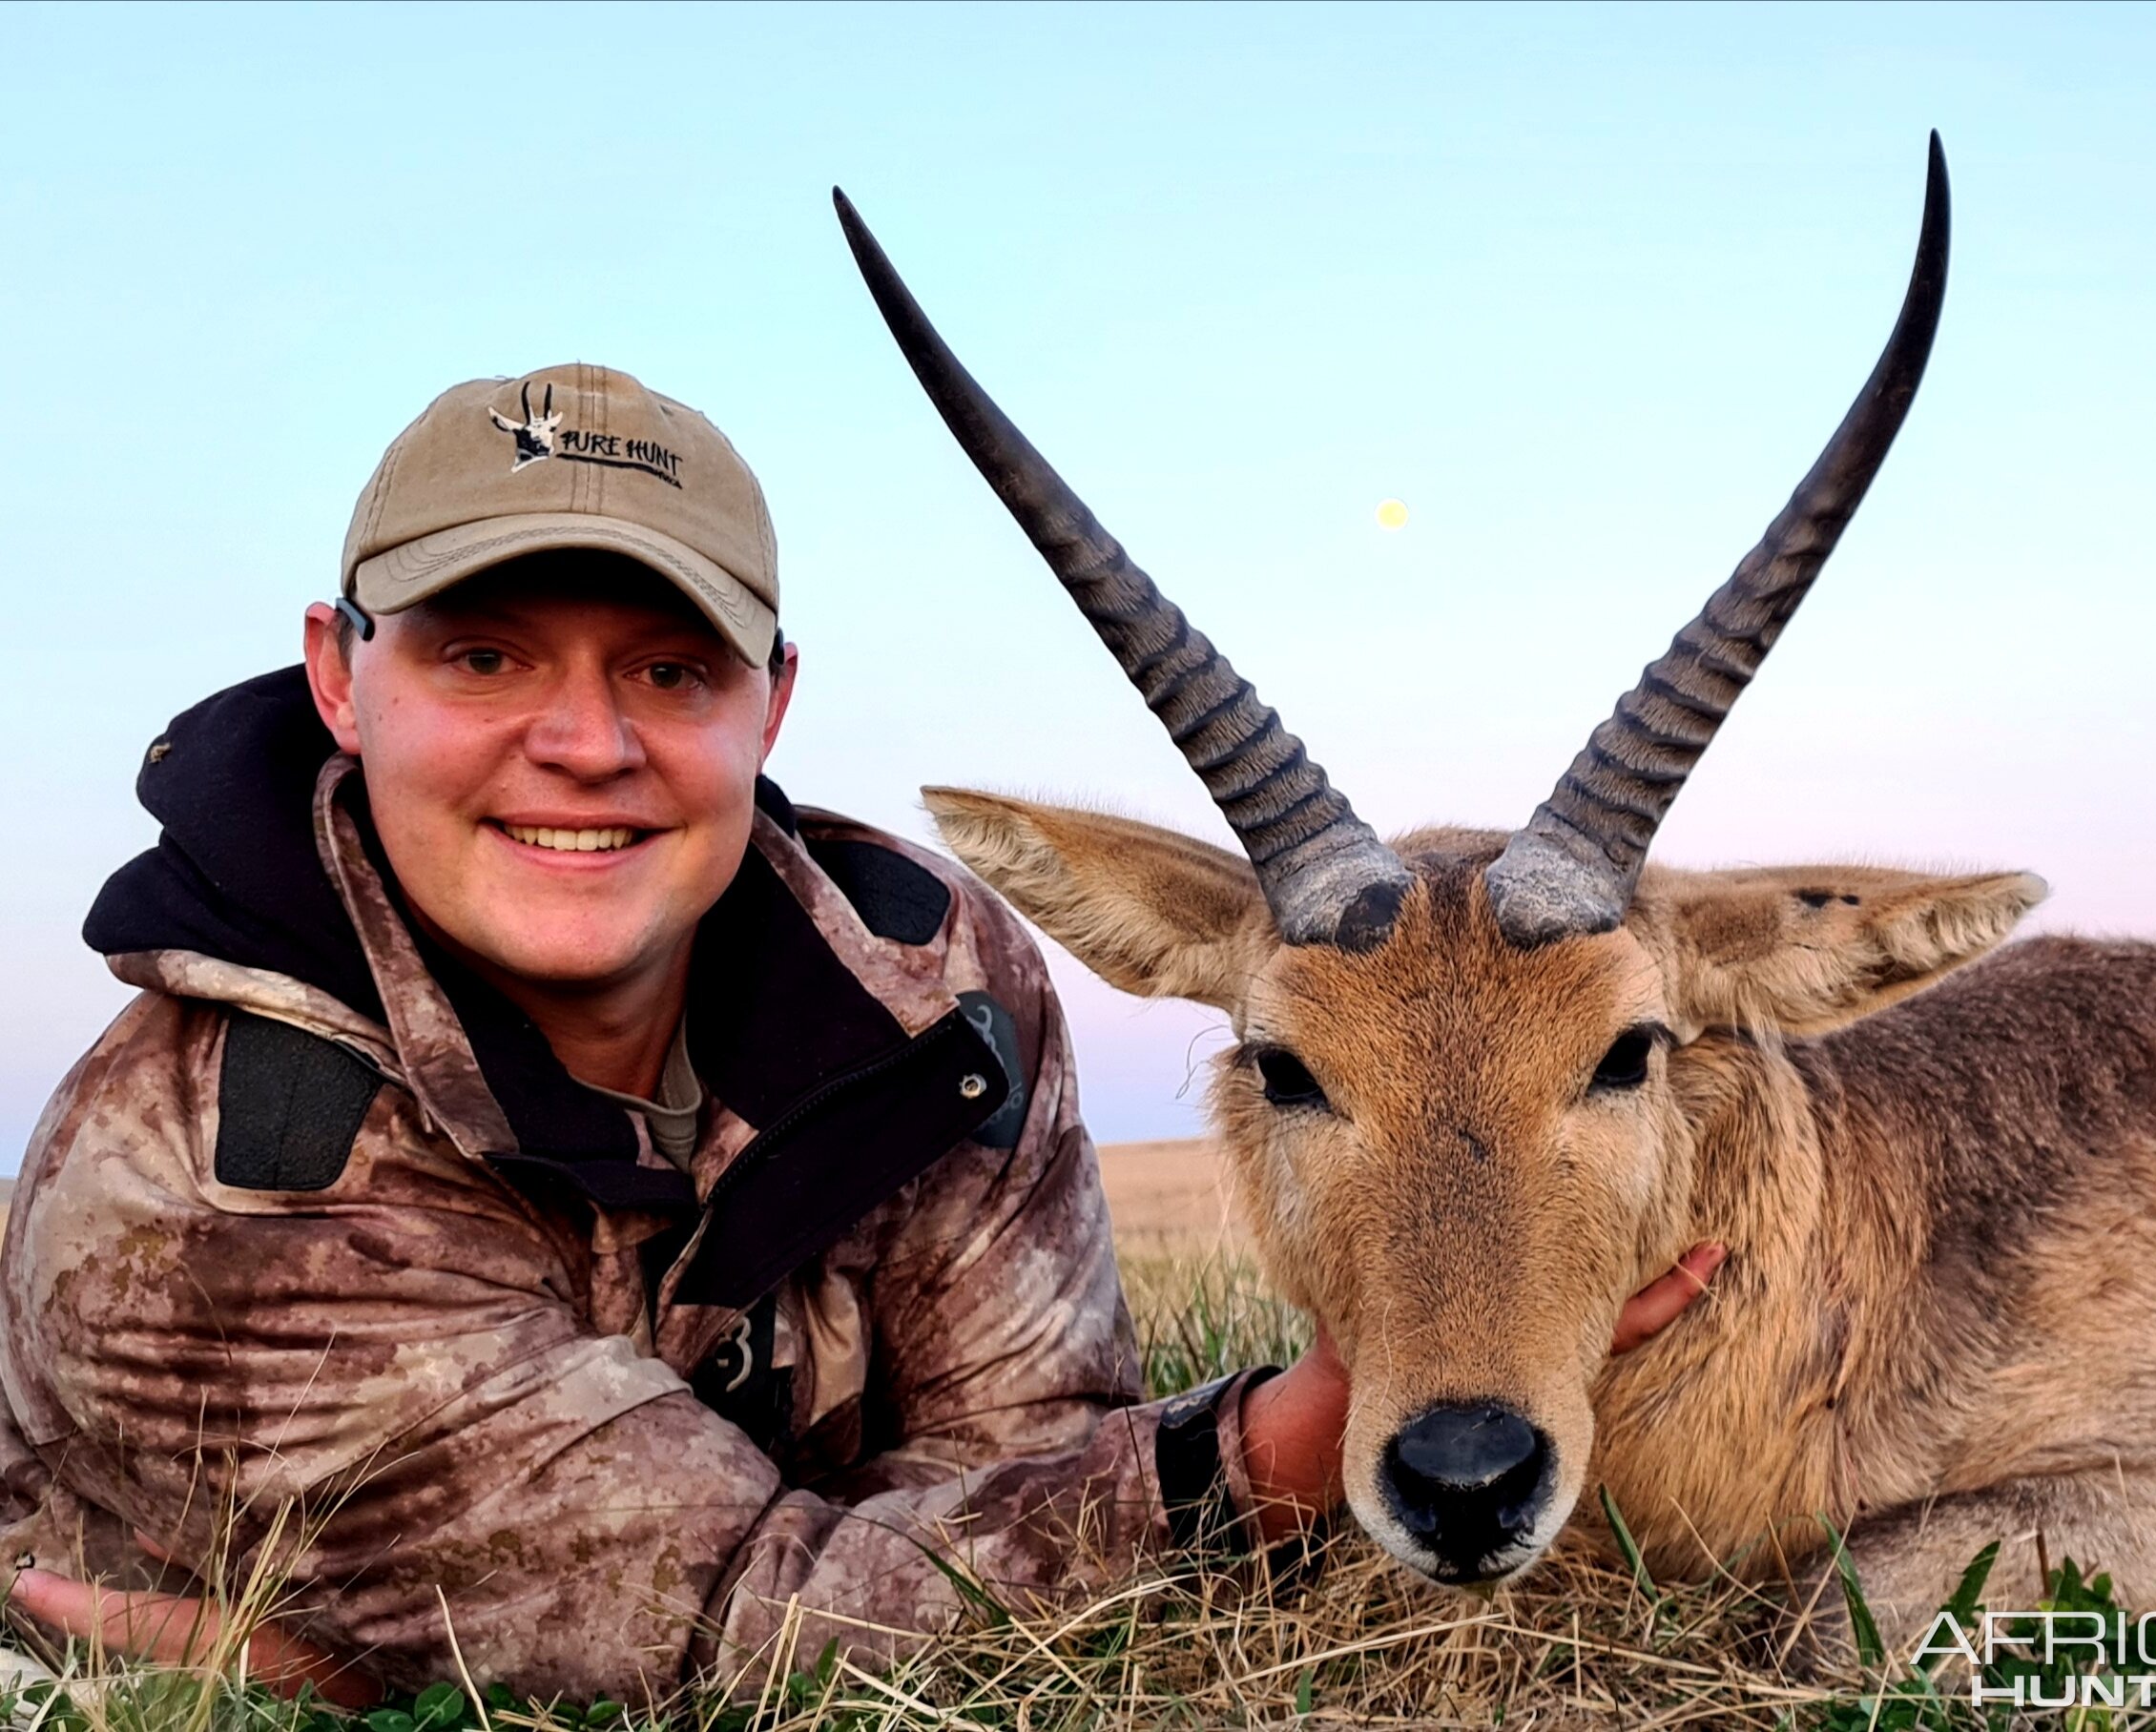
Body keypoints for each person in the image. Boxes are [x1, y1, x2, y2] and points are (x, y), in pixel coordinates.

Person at [0, 362, 1723, 1701]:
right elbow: (740, 1644)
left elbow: (1032, 1468)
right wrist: (1267, 1454)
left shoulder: (933, 981)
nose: (585, 744)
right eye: (483, 658)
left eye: (672, 671)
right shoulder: (212, 1189)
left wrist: (504, 1639)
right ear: (336, 674)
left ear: (776, 701)